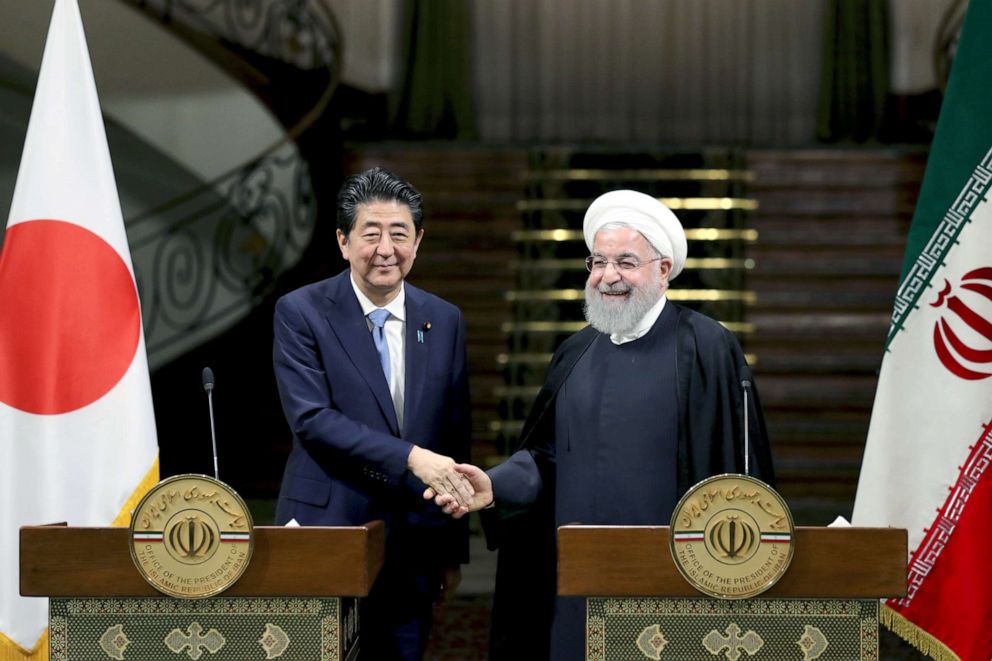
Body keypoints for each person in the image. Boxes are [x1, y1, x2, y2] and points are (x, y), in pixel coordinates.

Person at [430, 190, 775, 660]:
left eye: (626, 262)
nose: (608, 276)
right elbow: (546, 457)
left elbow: (742, 471)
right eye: (598, 262)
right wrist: (494, 484)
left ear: (663, 269)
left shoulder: (708, 347)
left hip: (674, 584)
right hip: (576, 586)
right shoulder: (574, 353)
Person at [273, 167, 474, 660]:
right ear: (343, 242)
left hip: (414, 541)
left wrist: (452, 549)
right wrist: (409, 457)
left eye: (400, 233)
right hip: (328, 529)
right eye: (371, 233)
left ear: (418, 241)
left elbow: (454, 436)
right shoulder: (302, 312)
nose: (386, 248)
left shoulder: (443, 319)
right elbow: (312, 420)